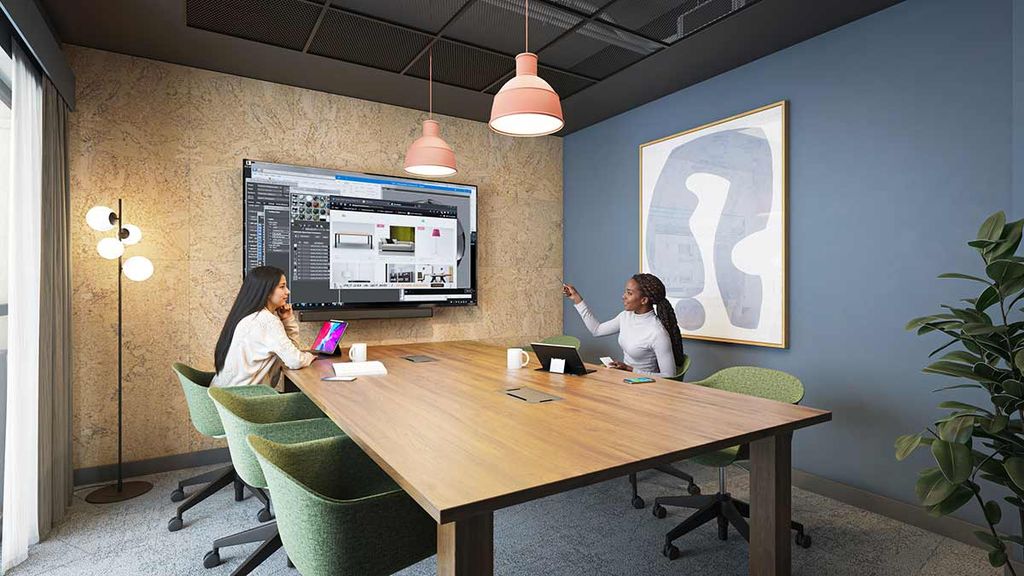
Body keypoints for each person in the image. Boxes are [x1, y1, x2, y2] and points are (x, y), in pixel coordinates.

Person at [563, 273, 685, 378]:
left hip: (647, 389)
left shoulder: (657, 332)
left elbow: (669, 376)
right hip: (624, 380)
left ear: (644, 300)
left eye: (629, 293)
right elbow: (597, 330)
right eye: (625, 292)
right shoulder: (625, 317)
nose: (623, 296)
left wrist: (630, 370)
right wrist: (576, 299)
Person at [212, 266, 314, 388]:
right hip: (239, 401)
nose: (288, 291)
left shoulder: (248, 316)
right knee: (307, 403)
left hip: (223, 396)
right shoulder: (266, 321)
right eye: (282, 287)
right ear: (266, 291)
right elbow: (295, 361)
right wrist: (309, 357)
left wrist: (287, 320)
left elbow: (289, 354)